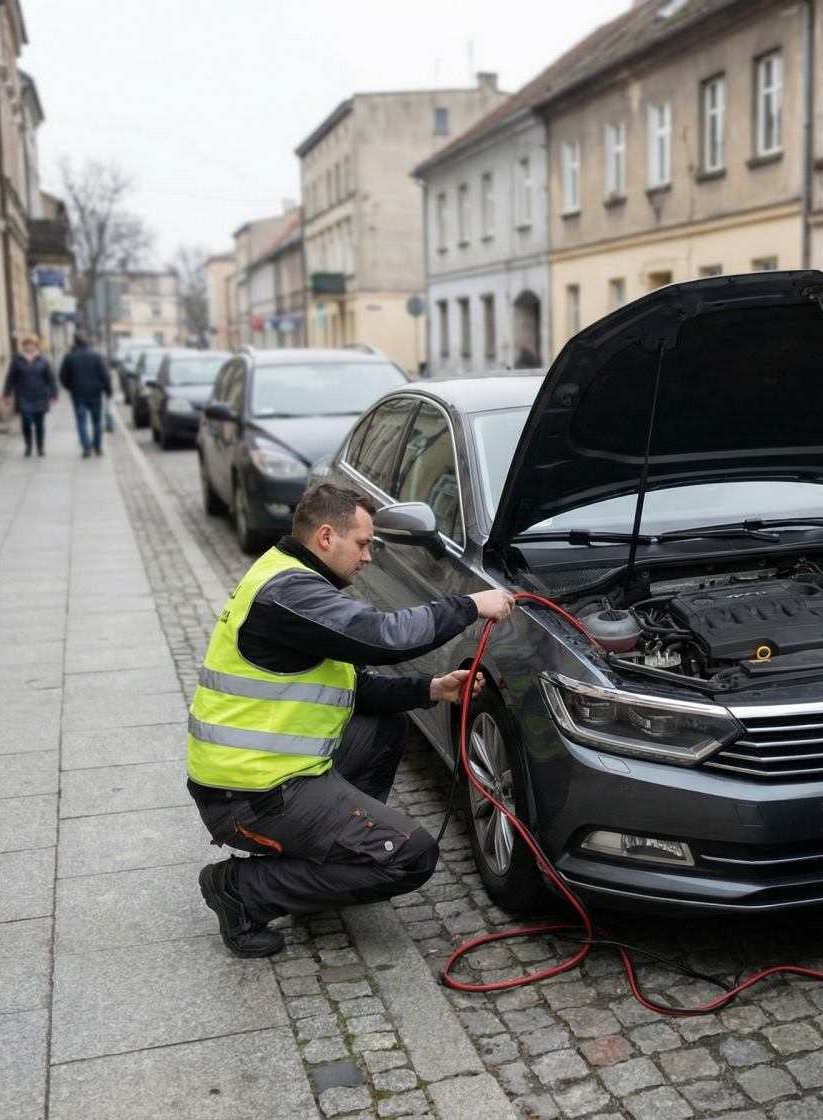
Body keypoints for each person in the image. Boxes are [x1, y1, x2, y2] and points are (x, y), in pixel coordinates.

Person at [186, 483, 516, 957]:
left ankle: (333, 858)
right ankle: (242, 889)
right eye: (363, 543)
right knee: (411, 858)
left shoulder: (290, 578)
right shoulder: (290, 594)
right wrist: (468, 605)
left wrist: (428, 689)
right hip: (250, 795)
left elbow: (350, 687)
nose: (368, 557)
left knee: (384, 726)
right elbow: (384, 636)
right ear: (326, 536)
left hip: (266, 771)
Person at [58, 333, 112, 458]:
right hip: (95, 393)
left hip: (78, 394)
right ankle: (97, 447)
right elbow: (105, 376)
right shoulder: (96, 356)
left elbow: (62, 376)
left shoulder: (70, 357)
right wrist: (108, 392)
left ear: (75, 343)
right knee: (96, 422)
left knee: (81, 421)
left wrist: (70, 387)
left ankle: (86, 447)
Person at [2, 333, 56, 457]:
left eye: (31, 344)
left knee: (39, 423)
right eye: (26, 344)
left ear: (36, 345)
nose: (29, 347)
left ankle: (40, 447)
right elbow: (10, 378)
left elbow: (50, 379)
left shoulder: (43, 360)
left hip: (40, 395)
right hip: (23, 395)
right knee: (26, 421)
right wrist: (7, 393)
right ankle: (28, 445)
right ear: (23, 346)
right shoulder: (17, 360)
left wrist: (53, 394)